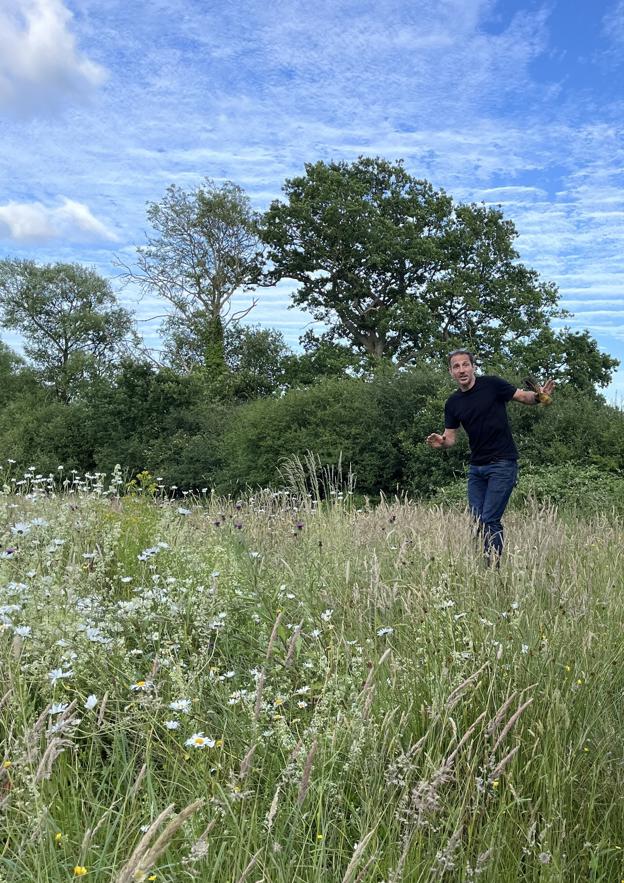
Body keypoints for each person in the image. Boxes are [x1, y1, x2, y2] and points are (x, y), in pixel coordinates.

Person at [426, 349, 554, 563]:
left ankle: (492, 568)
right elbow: (450, 438)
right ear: (451, 372)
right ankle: (484, 564)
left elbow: (524, 397)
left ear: (473, 366)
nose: (461, 370)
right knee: (477, 521)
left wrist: (540, 396)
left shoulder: (492, 385)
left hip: (503, 463)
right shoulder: (453, 403)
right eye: (456, 366)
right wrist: (441, 442)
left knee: (489, 519)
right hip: (477, 469)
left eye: (465, 364)